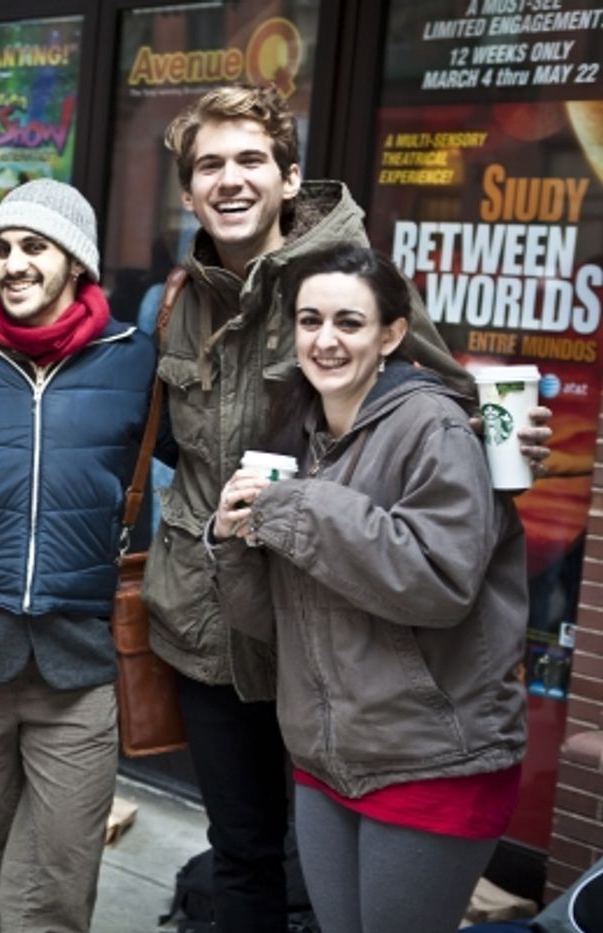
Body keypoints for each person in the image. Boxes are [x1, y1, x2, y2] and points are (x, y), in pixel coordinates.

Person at [144, 83, 550, 933]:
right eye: (210, 164)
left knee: (329, 863)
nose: (231, 179)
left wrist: (511, 444)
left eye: (251, 159)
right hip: (215, 616)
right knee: (240, 853)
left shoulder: (344, 280)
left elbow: (439, 408)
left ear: (289, 178)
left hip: (322, 625)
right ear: (187, 192)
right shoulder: (177, 302)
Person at [208, 245, 528, 933]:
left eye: (349, 322)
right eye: (310, 320)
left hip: (431, 756)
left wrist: (295, 507)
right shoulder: (300, 433)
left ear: (391, 333)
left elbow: (438, 581)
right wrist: (234, 540)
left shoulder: (435, 427)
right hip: (328, 755)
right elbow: (268, 622)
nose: (325, 340)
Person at [0, 178, 157, 933]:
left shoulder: (133, 359)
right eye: (2, 248)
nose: (13, 263)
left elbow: (217, 446)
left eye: (34, 247)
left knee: (59, 883)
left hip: (76, 661)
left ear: (76, 262)